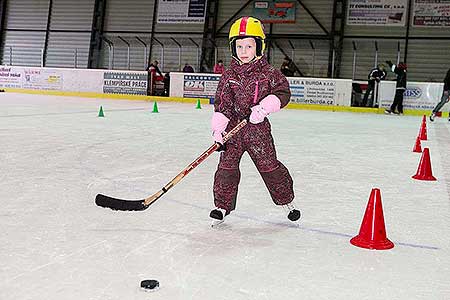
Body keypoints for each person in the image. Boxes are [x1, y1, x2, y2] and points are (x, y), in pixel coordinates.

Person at [209, 16, 300, 226]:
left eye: (249, 46)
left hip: (257, 131)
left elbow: (282, 92)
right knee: (226, 169)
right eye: (239, 46)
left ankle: (287, 202)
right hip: (233, 131)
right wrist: (218, 130)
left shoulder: (269, 73)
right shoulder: (228, 75)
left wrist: (263, 108)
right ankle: (222, 207)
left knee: (269, 167)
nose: (243, 51)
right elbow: (223, 104)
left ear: (259, 46)